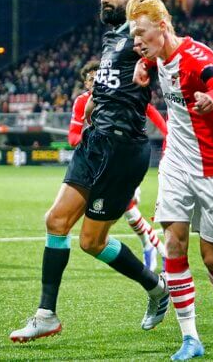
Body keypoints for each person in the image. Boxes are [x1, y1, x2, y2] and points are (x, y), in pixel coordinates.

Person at [10, 0, 168, 344]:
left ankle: (157, 289)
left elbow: (166, 47)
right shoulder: (113, 36)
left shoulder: (142, 31)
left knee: (92, 242)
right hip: (94, 143)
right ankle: (46, 316)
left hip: (121, 148)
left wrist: (151, 59)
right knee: (57, 221)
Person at [129, 0, 213, 361]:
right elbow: (150, 57)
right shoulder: (157, 54)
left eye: (141, 34)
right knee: (173, 245)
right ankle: (190, 337)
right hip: (176, 161)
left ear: (162, 27)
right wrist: (142, 65)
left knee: (212, 258)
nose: (137, 42)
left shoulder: (198, 59)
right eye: (134, 36)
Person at [68, 59, 167, 271]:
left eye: (99, 78)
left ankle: (157, 249)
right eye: (91, 79)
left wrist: (168, 132)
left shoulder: (117, 94)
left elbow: (150, 110)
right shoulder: (81, 103)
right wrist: (93, 137)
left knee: (129, 210)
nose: (95, 82)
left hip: (125, 159)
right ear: (85, 84)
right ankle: (154, 247)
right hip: (99, 167)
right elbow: (73, 138)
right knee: (127, 213)